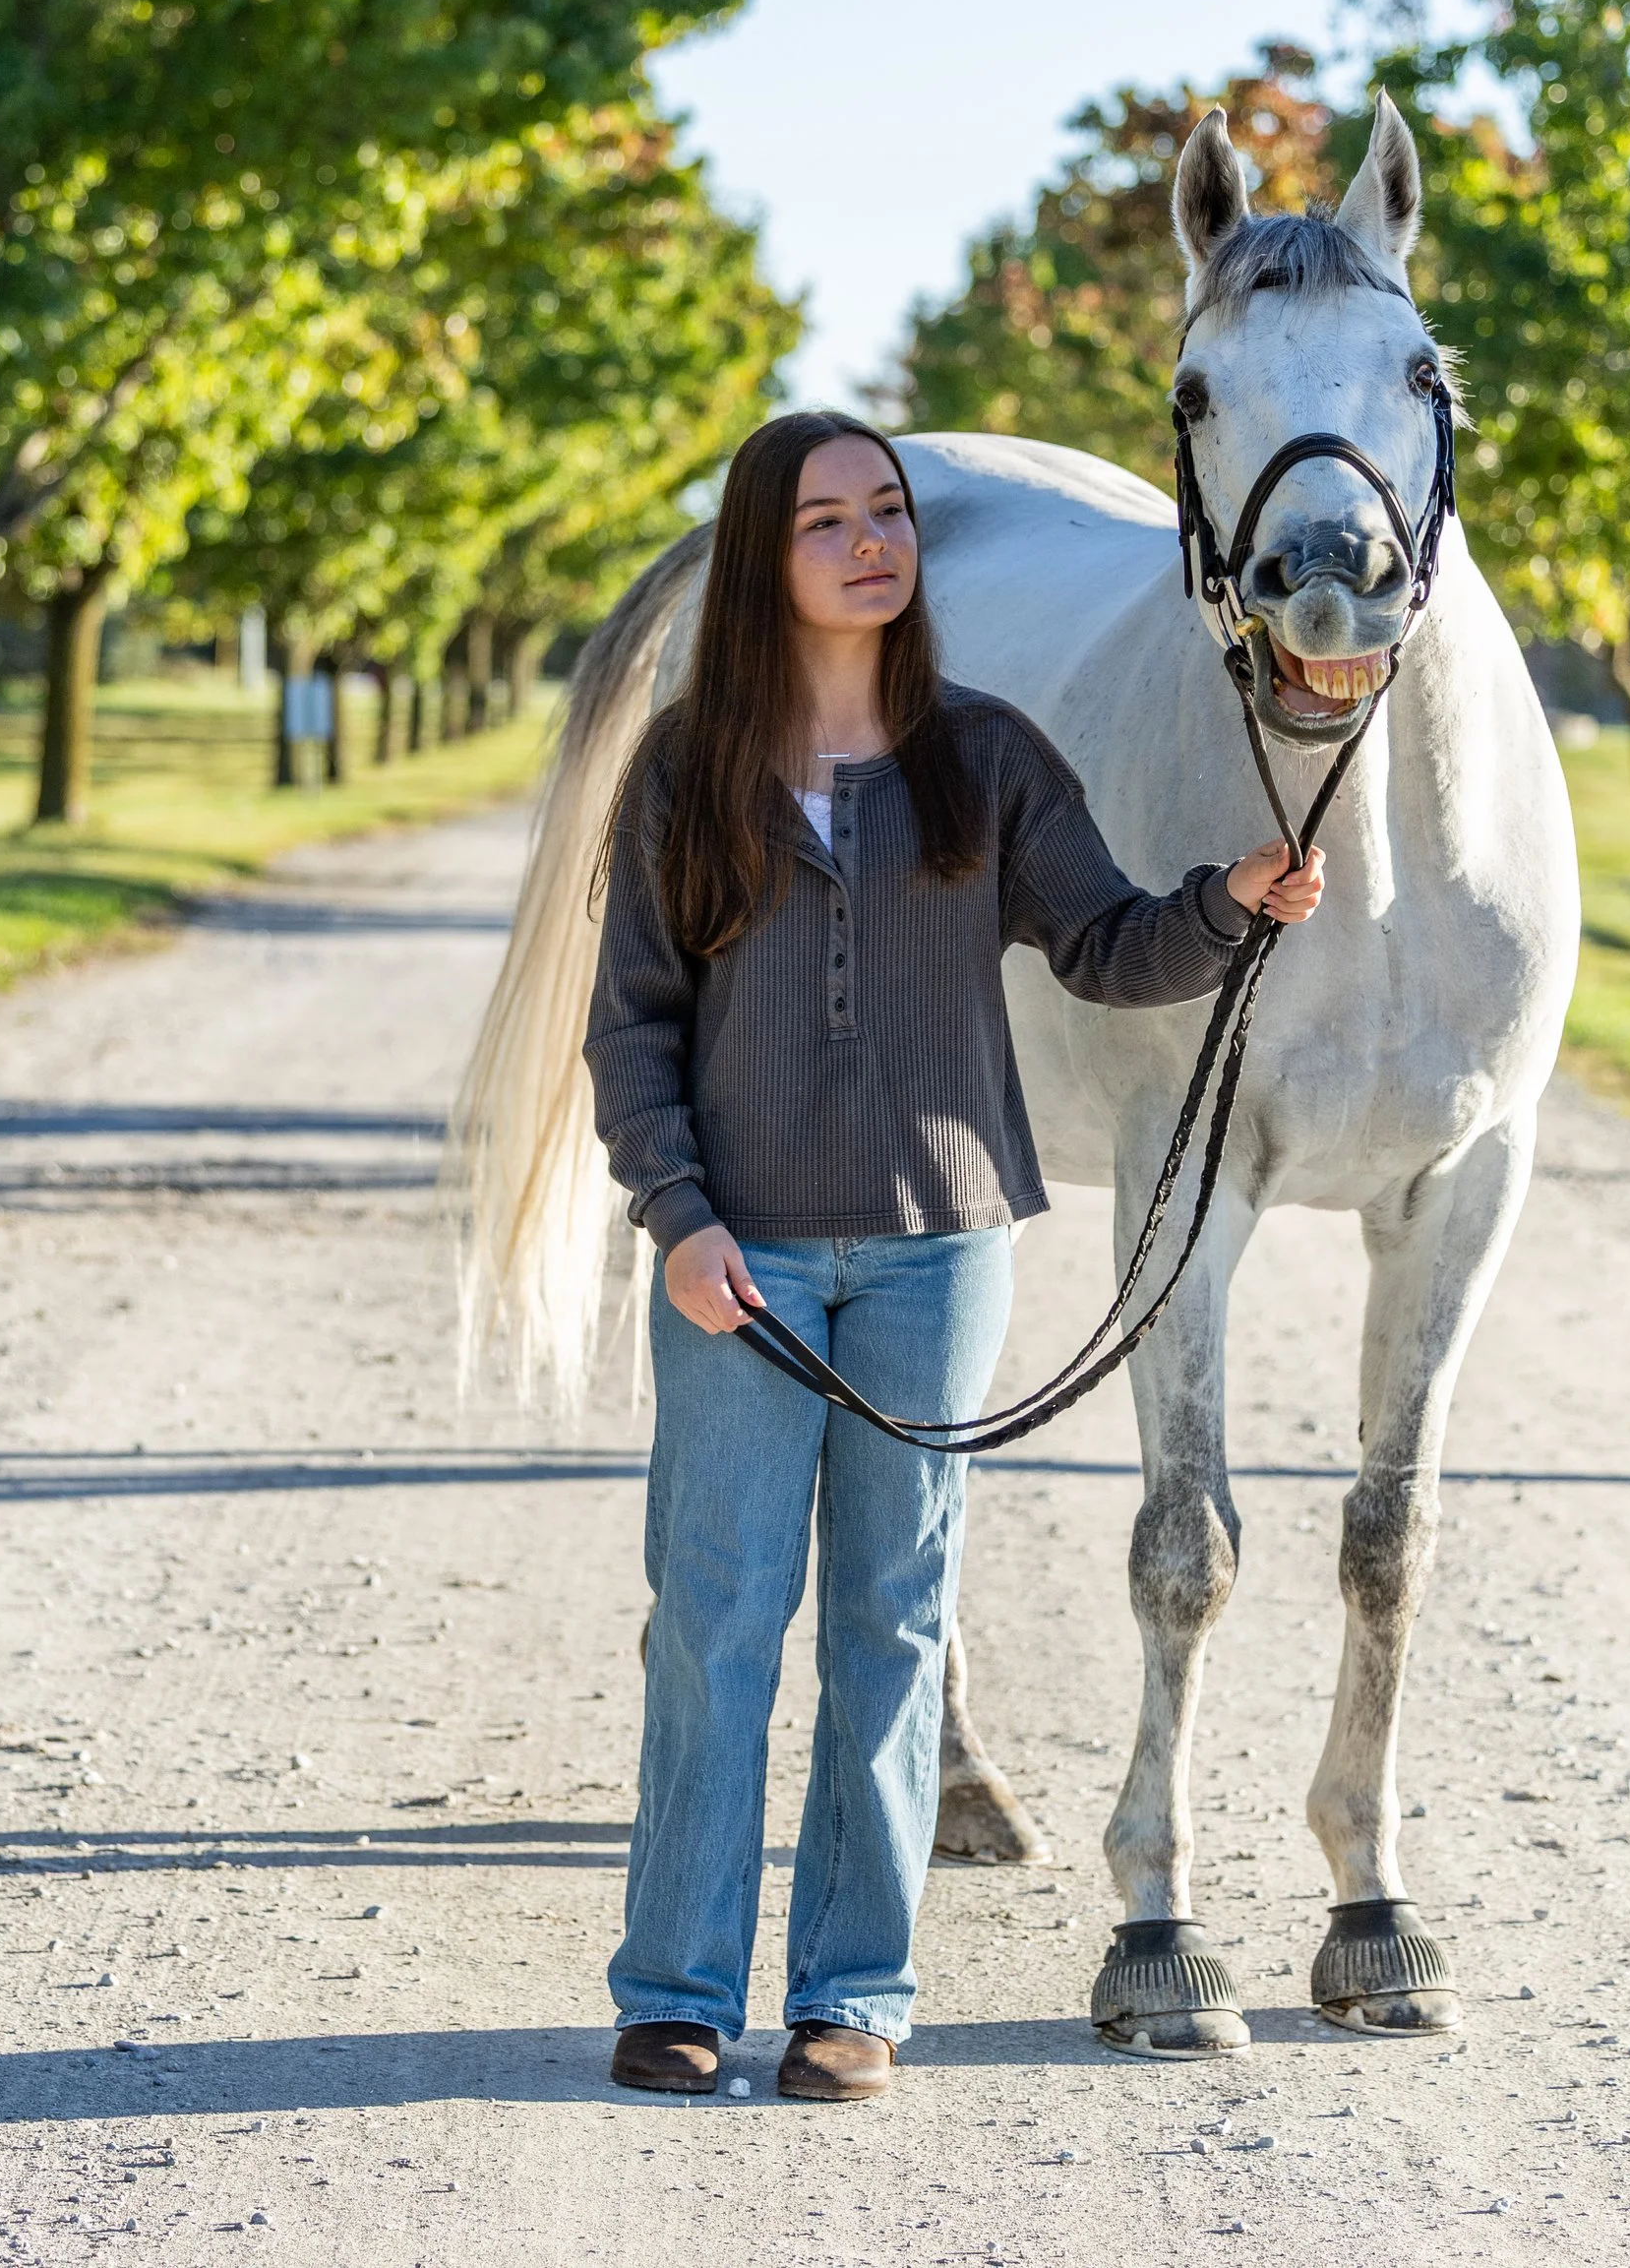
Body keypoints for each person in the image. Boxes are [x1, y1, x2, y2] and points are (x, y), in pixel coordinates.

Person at [584, 409, 1324, 2104]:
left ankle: (855, 1998)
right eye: (828, 519)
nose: (872, 541)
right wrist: (679, 1218)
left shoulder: (986, 756)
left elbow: (1107, 944)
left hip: (936, 1258)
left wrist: (1229, 901)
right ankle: (678, 1987)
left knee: (893, 1625)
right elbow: (631, 1027)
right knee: (713, 1620)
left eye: (891, 512)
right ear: (765, 560)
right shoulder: (688, 766)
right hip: (740, 1268)